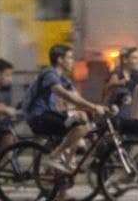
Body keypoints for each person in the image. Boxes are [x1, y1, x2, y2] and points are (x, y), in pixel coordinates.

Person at [26, 44, 110, 172]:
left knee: (80, 123)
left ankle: (68, 163)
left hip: (49, 115)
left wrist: (98, 108)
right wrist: (92, 107)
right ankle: (54, 157)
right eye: (70, 57)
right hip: (38, 117)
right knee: (81, 128)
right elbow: (64, 94)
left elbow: (76, 97)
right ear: (60, 59)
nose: (73, 61)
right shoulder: (49, 73)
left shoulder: (63, 79)